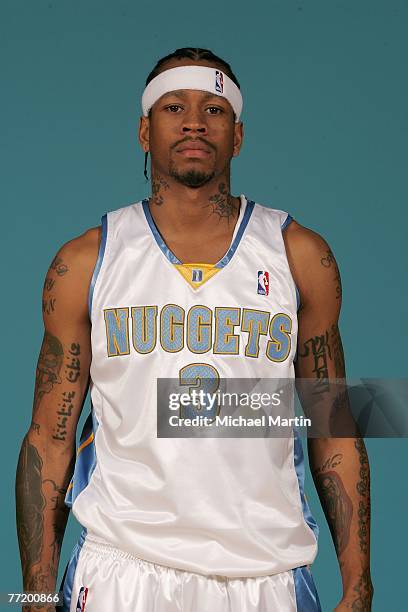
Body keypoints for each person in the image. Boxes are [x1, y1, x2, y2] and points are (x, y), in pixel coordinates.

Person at [15, 47, 373, 612]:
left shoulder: (298, 256)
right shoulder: (88, 261)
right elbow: (50, 438)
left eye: (215, 109)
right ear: (143, 131)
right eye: (173, 106)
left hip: (265, 575)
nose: (193, 122)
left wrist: (357, 585)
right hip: (119, 570)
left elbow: (332, 425)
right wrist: (33, 594)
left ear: (238, 135)